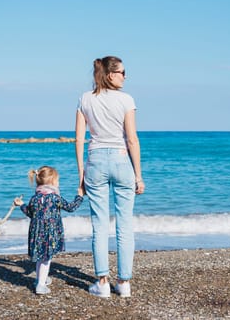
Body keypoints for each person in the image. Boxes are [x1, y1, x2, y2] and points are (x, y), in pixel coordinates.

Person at [75, 56, 145, 298]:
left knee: (99, 225)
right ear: (110, 74)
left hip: (95, 161)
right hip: (120, 160)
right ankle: (123, 283)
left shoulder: (85, 98)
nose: (125, 76)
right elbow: (132, 140)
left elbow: (79, 140)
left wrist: (81, 174)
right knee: (125, 225)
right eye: (122, 72)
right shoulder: (126, 100)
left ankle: (102, 282)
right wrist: (139, 176)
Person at [14, 165, 84, 295]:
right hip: (49, 234)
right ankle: (40, 285)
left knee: (40, 257)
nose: (58, 183)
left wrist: (21, 205)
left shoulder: (34, 198)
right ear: (52, 182)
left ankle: (40, 279)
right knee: (46, 259)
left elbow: (30, 213)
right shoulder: (54, 198)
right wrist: (79, 196)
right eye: (57, 181)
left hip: (36, 233)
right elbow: (70, 207)